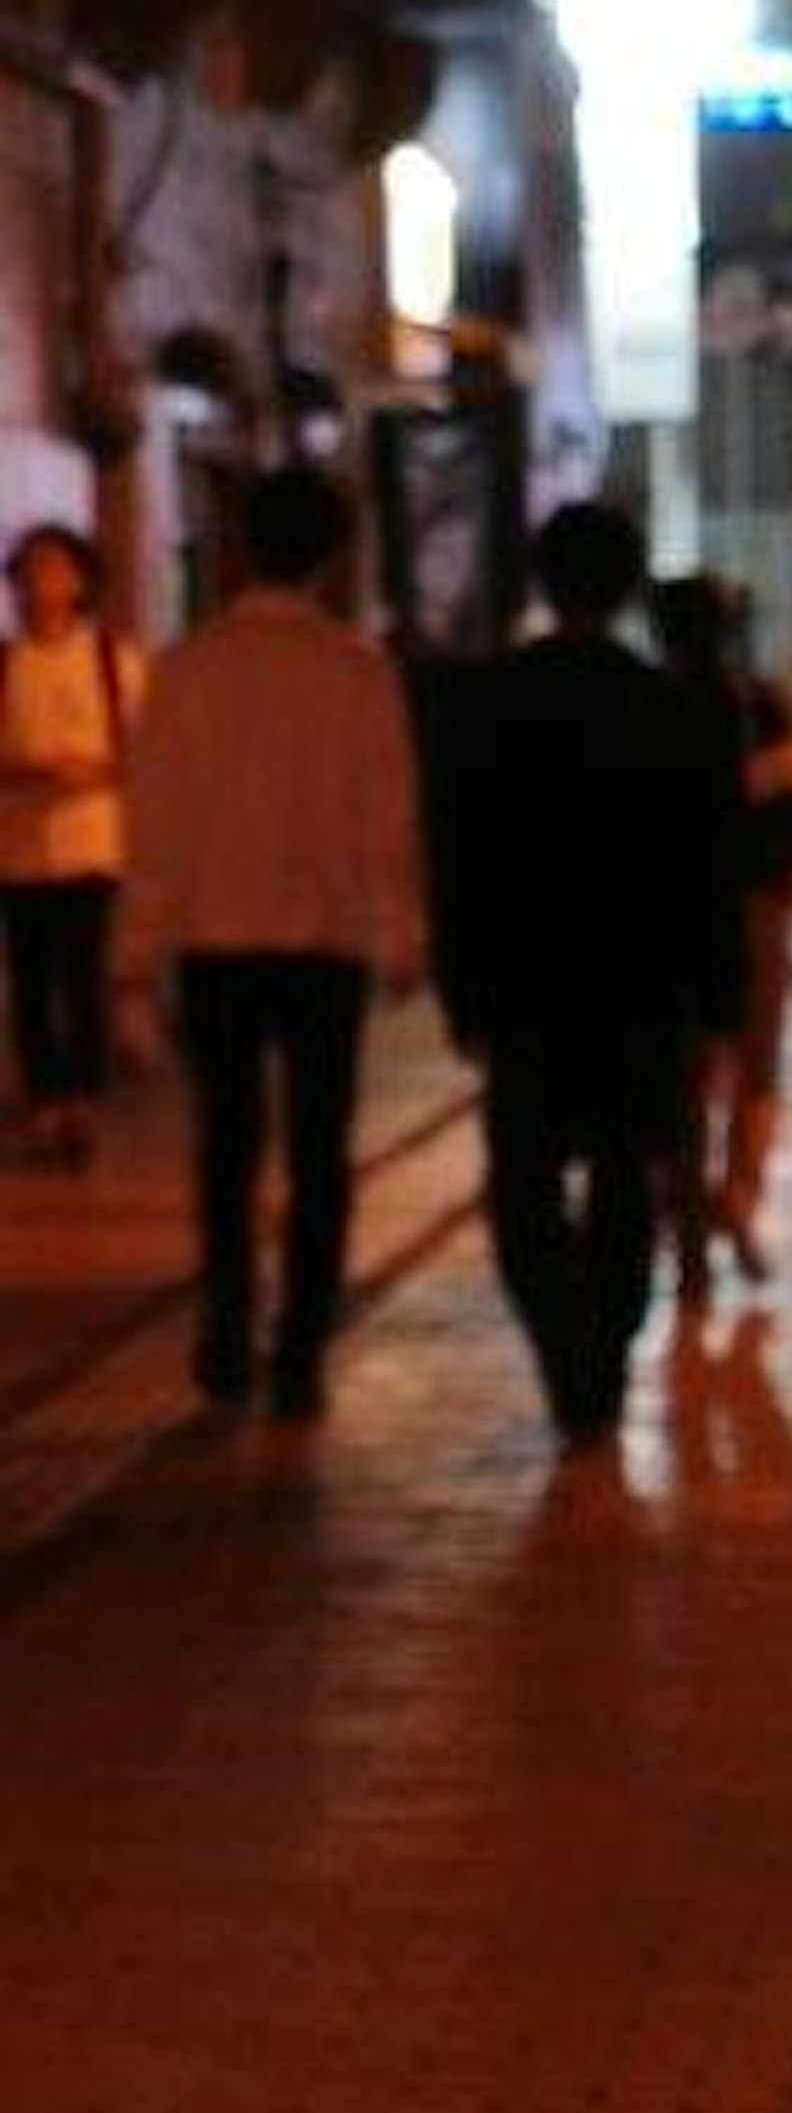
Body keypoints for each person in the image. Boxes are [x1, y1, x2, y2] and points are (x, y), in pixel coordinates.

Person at [436, 501, 746, 1446]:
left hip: (525, 984)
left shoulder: (487, 703)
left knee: (522, 1181)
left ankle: (560, 1343)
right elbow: (709, 862)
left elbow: (458, 858)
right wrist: (720, 990)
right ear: (625, 588)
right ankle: (606, 1351)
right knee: (624, 1173)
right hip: (638, 985)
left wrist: (463, 985)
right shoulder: (669, 708)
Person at [122, 464, 427, 1417]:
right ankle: (301, 1346)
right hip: (324, 941)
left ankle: (223, 1324)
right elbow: (387, 816)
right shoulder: (356, 671)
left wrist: (134, 955)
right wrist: (402, 931)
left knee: (227, 1142)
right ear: (332, 554)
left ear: (245, 545)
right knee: (321, 1149)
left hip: (217, 937)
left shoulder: (186, 669)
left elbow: (156, 821)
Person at [648, 574, 792, 1291]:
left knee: (682, 1071)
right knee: (756, 1066)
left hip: (665, 911)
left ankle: (692, 1225)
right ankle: (737, 1199)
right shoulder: (760, 706)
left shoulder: (648, 705)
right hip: (756, 907)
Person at [0, 522, 140, 1167]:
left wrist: (98, 771)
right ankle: (43, 1103)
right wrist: (27, 771)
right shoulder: (7, 663)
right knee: (29, 980)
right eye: (29, 570)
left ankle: (81, 1099)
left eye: (54, 569)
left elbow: (147, 749)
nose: (41, 583)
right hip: (19, 847)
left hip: (92, 843)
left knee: (84, 975)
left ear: (81, 581)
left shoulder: (115, 661)